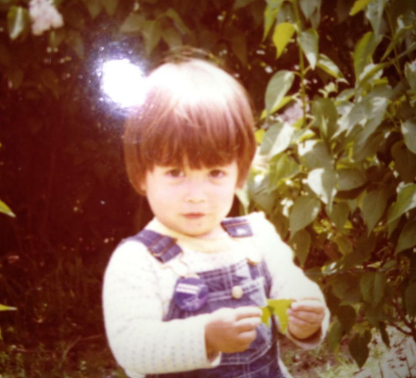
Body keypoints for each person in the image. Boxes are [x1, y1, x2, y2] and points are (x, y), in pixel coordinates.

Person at [102, 55, 329, 378]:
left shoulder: (257, 236)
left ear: (240, 175)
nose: (196, 194)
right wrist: (204, 337)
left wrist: (305, 315)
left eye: (215, 173)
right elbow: (132, 345)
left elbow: (291, 285)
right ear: (142, 175)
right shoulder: (138, 261)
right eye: (175, 172)